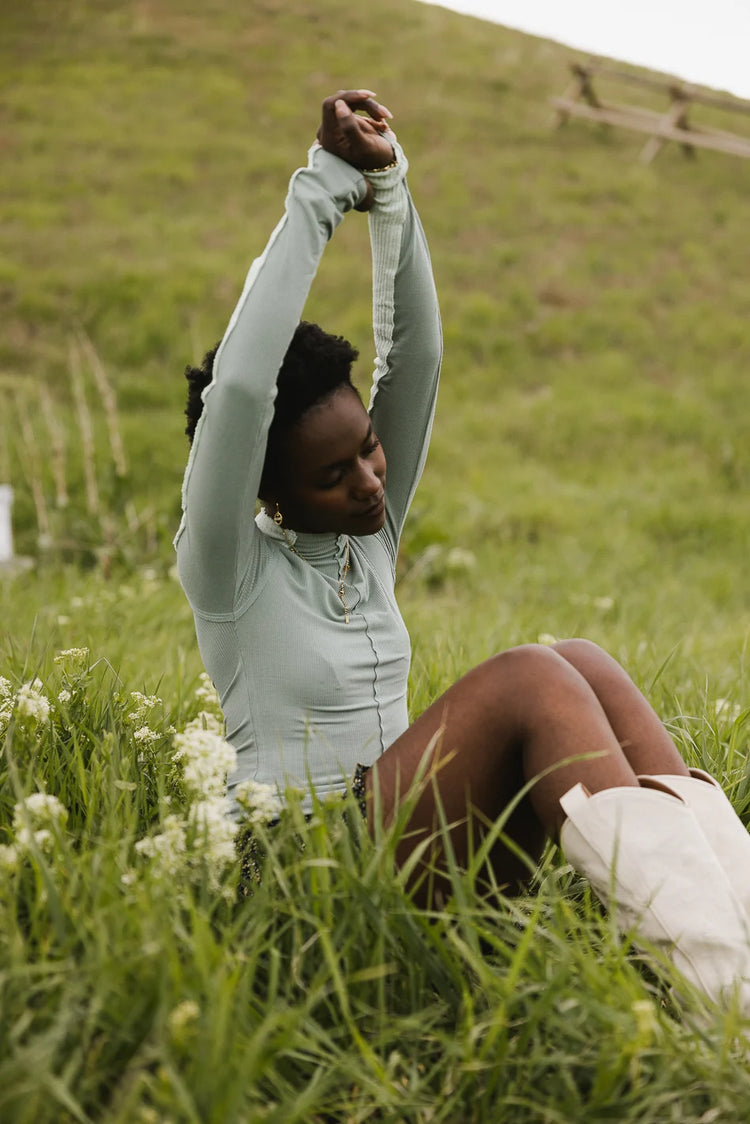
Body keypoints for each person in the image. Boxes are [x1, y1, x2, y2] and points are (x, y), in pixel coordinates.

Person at [176, 90, 750, 1014]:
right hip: (311, 878)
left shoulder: (365, 538)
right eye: (335, 475)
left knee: (582, 662)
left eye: (367, 449)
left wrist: (392, 190)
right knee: (531, 678)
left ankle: (734, 950)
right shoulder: (226, 569)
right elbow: (241, 391)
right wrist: (324, 188)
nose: (369, 481)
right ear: (269, 490)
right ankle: (724, 1003)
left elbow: (420, 359)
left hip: (409, 845)